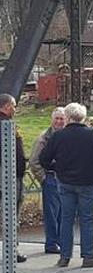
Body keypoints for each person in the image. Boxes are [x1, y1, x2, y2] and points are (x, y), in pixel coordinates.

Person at [40, 102, 93, 268]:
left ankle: (64, 257)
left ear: (68, 117)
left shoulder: (58, 136)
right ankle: (88, 256)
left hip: (65, 182)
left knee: (66, 220)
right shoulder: (92, 134)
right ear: (83, 117)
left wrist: (58, 168)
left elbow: (43, 159)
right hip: (88, 183)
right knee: (87, 220)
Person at [28, 107, 66, 254]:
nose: (59, 122)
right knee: (51, 213)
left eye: (62, 119)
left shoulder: (66, 136)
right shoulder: (44, 138)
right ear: (52, 120)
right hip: (51, 178)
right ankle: (51, 244)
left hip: (65, 179)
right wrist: (43, 178)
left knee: (64, 213)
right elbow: (34, 161)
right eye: (57, 118)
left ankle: (62, 242)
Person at [0, 94, 28, 263]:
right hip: (9, 177)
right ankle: (12, 250)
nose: (15, 109)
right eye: (14, 106)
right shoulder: (6, 125)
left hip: (8, 174)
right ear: (6, 106)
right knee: (11, 214)